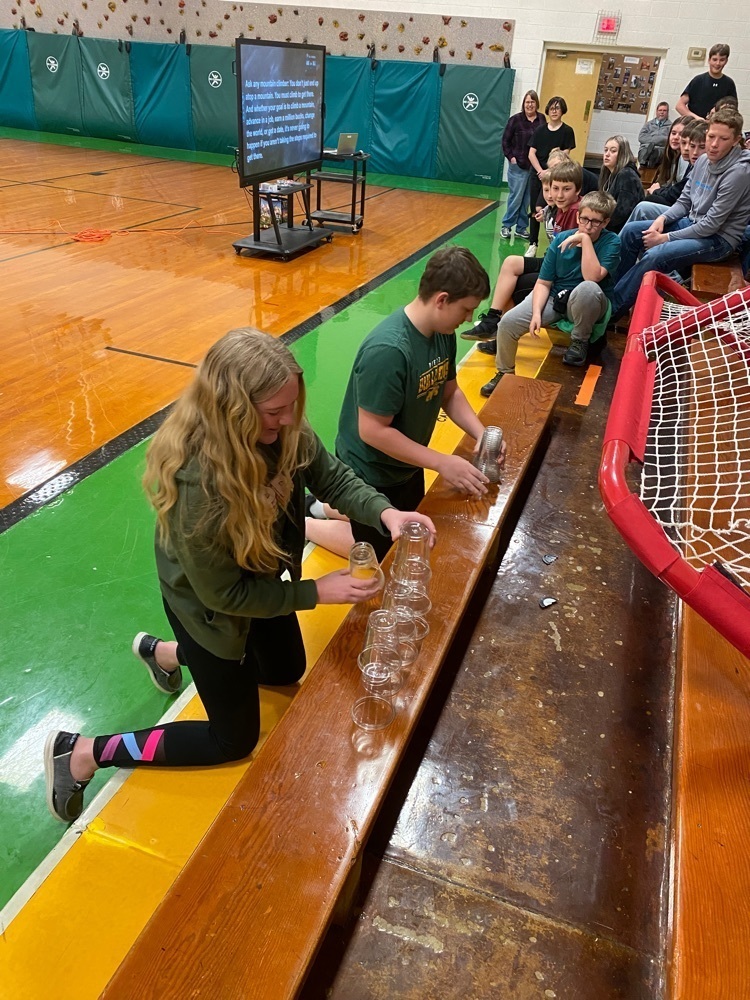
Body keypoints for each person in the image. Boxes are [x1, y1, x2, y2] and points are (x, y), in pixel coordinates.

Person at [44, 329, 436, 824]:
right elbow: (223, 593)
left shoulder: (281, 430)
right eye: (275, 411)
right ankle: (82, 752)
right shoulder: (198, 488)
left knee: (284, 670)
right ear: (233, 410)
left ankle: (166, 654)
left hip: (264, 578)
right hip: (210, 608)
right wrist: (317, 590)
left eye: (291, 405)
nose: (289, 418)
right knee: (232, 739)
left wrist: (387, 514)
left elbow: (329, 474)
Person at [327, 247, 499, 562]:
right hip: (371, 471)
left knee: (411, 534)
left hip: (406, 464)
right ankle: (309, 520)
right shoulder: (389, 350)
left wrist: (482, 434)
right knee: (382, 553)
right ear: (442, 300)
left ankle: (326, 506)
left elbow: (449, 392)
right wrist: (441, 462)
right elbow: (373, 431)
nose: (469, 320)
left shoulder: (441, 331)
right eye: (466, 310)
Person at [611, 107, 750, 320]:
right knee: (631, 232)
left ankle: (612, 310)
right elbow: (684, 201)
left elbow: (711, 225)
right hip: (692, 224)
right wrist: (661, 219)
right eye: (711, 136)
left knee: (656, 254)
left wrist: (665, 237)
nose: (713, 144)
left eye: (723, 139)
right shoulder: (703, 161)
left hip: (718, 240)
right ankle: (610, 292)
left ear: (735, 140)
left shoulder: (739, 172)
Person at [480, 191, 620, 395]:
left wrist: (585, 241)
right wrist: (536, 313)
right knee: (508, 322)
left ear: (606, 222)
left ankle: (579, 340)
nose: (588, 226)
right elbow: (544, 283)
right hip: (556, 298)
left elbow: (592, 277)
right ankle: (505, 373)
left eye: (595, 222)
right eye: (584, 219)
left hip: (588, 304)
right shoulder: (561, 239)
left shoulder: (612, 242)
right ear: (578, 216)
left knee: (587, 289)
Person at [461, 159, 583, 351]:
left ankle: (498, 332)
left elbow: (570, 256)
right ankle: (494, 322)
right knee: (510, 264)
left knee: (513, 283)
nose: (558, 195)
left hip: (564, 274)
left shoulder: (576, 212)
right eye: (554, 188)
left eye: (565, 189)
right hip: (554, 264)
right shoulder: (561, 208)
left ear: (577, 190)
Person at [626, 120, 707, 223]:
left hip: (690, 216)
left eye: (701, 147)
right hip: (682, 208)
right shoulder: (676, 157)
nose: (688, 149)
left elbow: (677, 193)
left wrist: (657, 191)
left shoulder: (693, 162)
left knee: (645, 206)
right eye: (673, 133)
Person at [526, 97, 576, 257]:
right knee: (536, 209)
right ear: (547, 110)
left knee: (554, 209)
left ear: (562, 111)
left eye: (558, 108)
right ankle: (532, 243)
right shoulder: (540, 130)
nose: (554, 111)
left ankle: (554, 242)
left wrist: (550, 172)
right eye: (552, 108)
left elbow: (565, 154)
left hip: (557, 176)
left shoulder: (567, 131)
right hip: (538, 176)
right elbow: (531, 153)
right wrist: (541, 171)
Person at [500, 90, 546, 241]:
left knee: (528, 199)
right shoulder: (515, 120)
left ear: (536, 104)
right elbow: (505, 141)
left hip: (534, 167)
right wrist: (511, 158)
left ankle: (521, 228)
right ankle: (506, 225)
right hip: (518, 166)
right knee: (516, 197)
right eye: (527, 102)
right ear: (523, 104)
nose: (530, 105)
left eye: (532, 102)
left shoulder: (541, 119)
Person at [676, 43, 737, 121]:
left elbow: (732, 109)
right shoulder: (698, 80)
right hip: (695, 127)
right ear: (709, 60)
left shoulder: (729, 83)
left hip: (716, 127)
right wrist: (697, 118)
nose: (717, 63)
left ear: (726, 61)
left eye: (722, 60)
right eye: (715, 59)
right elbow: (679, 106)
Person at [599, 135, 645, 233]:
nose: (607, 154)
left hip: (621, 232)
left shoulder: (626, 175)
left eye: (613, 151)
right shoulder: (610, 175)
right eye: (605, 150)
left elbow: (622, 212)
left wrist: (600, 228)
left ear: (623, 154)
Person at [648, 117, 689, 193]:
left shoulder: (685, 159)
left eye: (681, 134)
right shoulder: (671, 156)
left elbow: (679, 192)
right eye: (673, 133)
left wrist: (657, 191)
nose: (675, 137)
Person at [638, 102, 673, 167]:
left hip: (660, 149)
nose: (662, 112)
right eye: (660, 110)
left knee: (656, 153)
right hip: (646, 148)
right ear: (656, 112)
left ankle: (648, 161)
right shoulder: (648, 124)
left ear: (667, 112)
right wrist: (660, 139)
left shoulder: (671, 126)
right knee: (644, 152)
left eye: (664, 110)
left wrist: (653, 140)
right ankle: (645, 162)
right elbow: (641, 137)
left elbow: (669, 139)